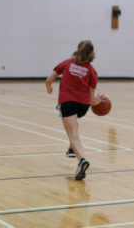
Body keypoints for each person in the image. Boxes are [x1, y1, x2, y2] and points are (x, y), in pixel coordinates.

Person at [46, 41, 105, 180]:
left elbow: (49, 79)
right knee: (73, 127)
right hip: (83, 106)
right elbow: (92, 100)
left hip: (68, 102)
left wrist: (49, 87)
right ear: (91, 54)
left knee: (73, 133)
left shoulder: (66, 63)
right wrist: (98, 100)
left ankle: (82, 160)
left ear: (78, 51)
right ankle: (72, 148)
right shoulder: (91, 70)